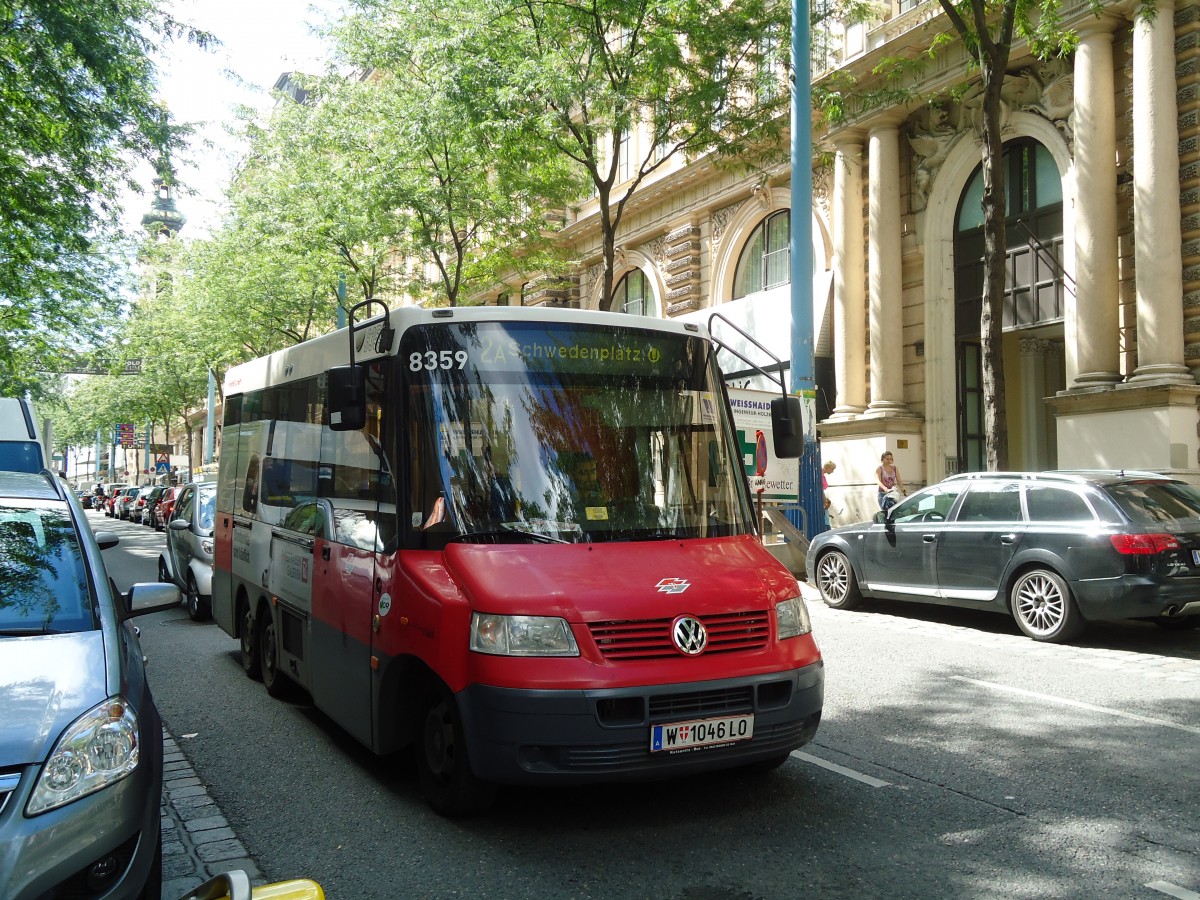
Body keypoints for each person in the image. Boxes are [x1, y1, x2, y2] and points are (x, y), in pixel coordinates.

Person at [821, 460, 837, 527]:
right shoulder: (820, 474)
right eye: (832, 469)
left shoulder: (822, 475)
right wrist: (824, 499)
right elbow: (820, 488)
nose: (832, 471)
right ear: (829, 468)